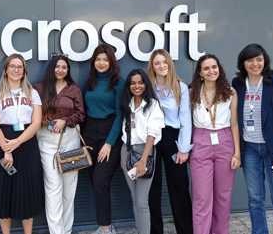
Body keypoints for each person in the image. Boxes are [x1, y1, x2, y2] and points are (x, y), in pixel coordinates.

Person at [232, 44, 273, 234]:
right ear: (243, 63)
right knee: (255, 199)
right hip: (250, 149)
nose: (255, 64)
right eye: (250, 60)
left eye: (259, 59)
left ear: (265, 60)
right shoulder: (238, 84)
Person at [0, 53, 44, 234]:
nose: (16, 70)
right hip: (2, 142)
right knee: (3, 190)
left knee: (27, 190)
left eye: (20, 67)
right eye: (12, 66)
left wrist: (17, 142)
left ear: (24, 71)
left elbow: (36, 123)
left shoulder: (32, 93)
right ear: (5, 70)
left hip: (26, 143)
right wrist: (6, 148)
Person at [189, 54, 241, 234]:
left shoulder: (230, 92)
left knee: (223, 196)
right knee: (202, 198)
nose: (211, 71)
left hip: (225, 141)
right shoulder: (192, 92)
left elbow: (234, 123)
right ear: (200, 73)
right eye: (206, 68)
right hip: (200, 141)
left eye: (214, 67)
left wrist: (237, 153)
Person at [34, 54, 85, 234]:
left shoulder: (74, 89)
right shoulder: (39, 88)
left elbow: (81, 114)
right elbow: (33, 115)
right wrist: (49, 122)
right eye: (58, 66)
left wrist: (65, 120)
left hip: (70, 139)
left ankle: (67, 230)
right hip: (47, 141)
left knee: (69, 189)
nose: (61, 70)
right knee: (53, 187)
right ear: (52, 68)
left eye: (64, 67)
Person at [146, 49, 193, 234]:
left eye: (164, 62)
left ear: (170, 64)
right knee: (152, 188)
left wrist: (184, 148)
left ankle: (185, 230)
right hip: (153, 137)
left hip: (173, 138)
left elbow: (185, 119)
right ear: (152, 66)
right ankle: (155, 230)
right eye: (157, 63)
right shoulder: (148, 86)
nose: (161, 66)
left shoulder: (179, 86)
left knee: (179, 187)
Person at [82, 44, 124, 234]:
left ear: (111, 62)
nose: (101, 63)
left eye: (105, 59)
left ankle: (106, 228)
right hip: (90, 135)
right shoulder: (89, 82)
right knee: (95, 181)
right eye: (98, 59)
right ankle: (104, 225)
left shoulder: (118, 83)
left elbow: (120, 115)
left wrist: (109, 143)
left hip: (110, 135)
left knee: (100, 180)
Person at [120, 69, 165, 234]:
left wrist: (144, 160)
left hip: (145, 153)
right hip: (127, 152)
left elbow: (152, 135)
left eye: (140, 82)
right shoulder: (128, 104)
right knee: (134, 199)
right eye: (133, 83)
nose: (136, 86)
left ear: (146, 84)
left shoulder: (152, 104)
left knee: (141, 201)